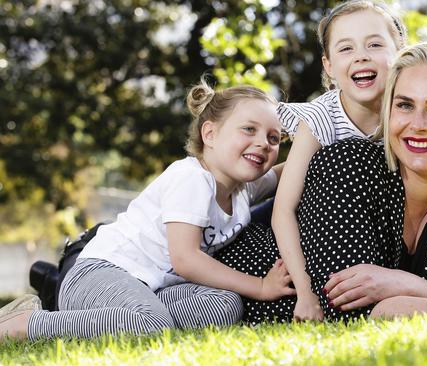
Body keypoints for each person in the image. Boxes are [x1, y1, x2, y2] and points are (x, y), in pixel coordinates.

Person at [216, 37, 427, 323]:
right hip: (223, 296)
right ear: (388, 112)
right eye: (404, 105)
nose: (418, 124)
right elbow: (350, 311)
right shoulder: (348, 164)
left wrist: (396, 282)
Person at [272, 0, 427, 321]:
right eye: (404, 106)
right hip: (289, 211)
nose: (417, 123)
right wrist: (305, 291)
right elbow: (283, 210)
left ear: (398, 52)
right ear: (328, 66)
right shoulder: (325, 125)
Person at [0, 80, 295, 340]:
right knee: (150, 323)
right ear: (210, 134)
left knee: (225, 304)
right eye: (248, 130)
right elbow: (186, 260)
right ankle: (26, 324)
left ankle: (127, 321)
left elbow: (290, 171)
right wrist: (259, 286)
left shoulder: (243, 190)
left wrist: (325, 129)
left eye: (273, 138)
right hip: (101, 272)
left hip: (151, 290)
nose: (262, 143)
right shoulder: (192, 178)